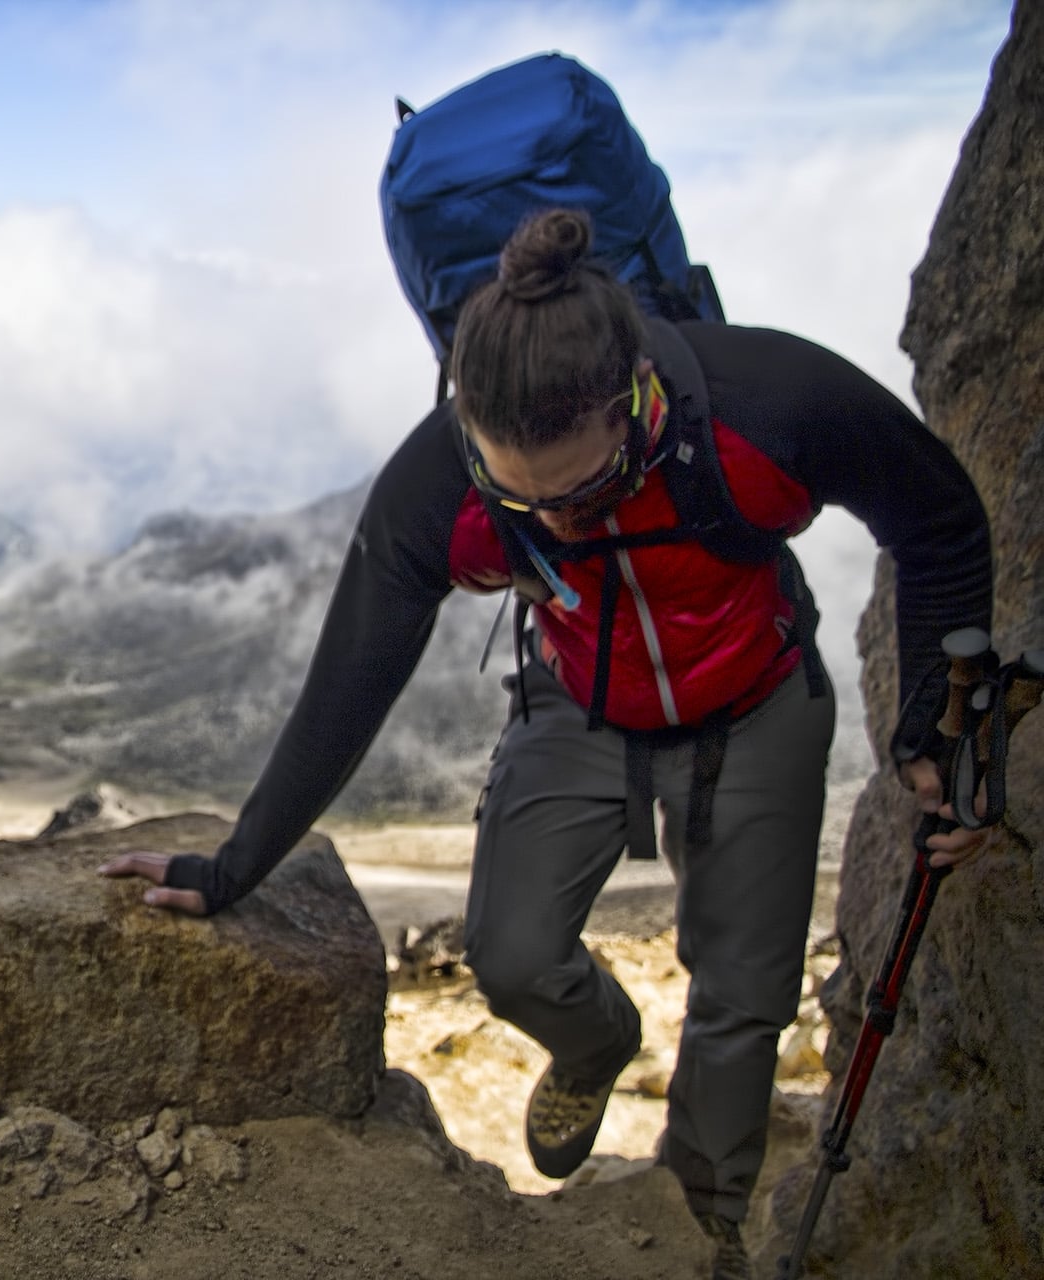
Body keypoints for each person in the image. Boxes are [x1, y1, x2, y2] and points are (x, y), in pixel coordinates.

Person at [99, 208, 993, 1280]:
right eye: (519, 495)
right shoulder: (441, 483)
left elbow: (939, 515)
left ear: (639, 404)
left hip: (757, 697)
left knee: (742, 1000)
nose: (557, 521)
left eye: (586, 490)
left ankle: (698, 1226)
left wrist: (934, 717)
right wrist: (233, 864)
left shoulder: (765, 400)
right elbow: (348, 683)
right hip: (577, 696)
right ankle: (595, 1038)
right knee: (512, 952)